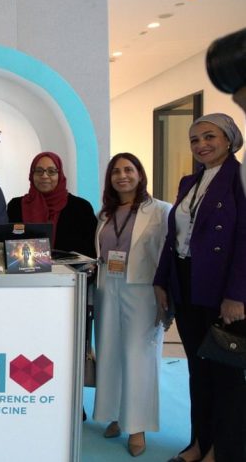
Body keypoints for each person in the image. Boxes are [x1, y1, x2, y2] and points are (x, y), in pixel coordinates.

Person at [154, 113, 246, 462]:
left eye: (209, 137)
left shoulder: (239, 179)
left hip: (222, 289)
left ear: (229, 140)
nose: (201, 145)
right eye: (194, 139)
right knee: (198, 369)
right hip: (186, 282)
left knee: (226, 374)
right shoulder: (189, 181)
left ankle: (223, 451)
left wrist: (237, 295)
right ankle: (199, 442)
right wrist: (161, 281)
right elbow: (174, 237)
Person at [92, 153, 171, 457]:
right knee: (109, 352)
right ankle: (115, 414)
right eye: (116, 171)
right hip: (108, 288)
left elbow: (167, 257)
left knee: (139, 356)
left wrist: (166, 293)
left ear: (140, 174)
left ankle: (137, 426)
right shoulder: (105, 213)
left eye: (128, 170)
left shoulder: (160, 211)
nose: (122, 176)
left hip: (143, 290)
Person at [7, 151, 97, 258]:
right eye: (39, 171)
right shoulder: (15, 206)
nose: (44, 176)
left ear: (60, 175)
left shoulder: (81, 208)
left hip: (69, 269)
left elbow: (90, 251)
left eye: (51, 171)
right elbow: (7, 244)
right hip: (25, 268)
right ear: (32, 175)